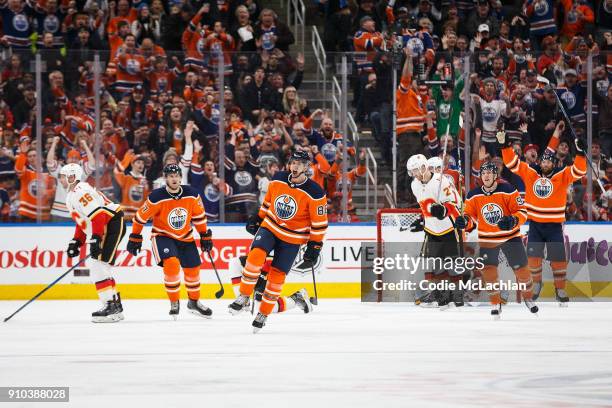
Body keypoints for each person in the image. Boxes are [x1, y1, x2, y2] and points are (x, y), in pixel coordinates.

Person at [228, 151, 327, 333]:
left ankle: (263, 314)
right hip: (270, 227)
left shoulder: (315, 192)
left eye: (300, 163)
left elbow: (319, 224)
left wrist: (315, 246)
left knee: (277, 277)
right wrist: (258, 218)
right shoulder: (279, 178)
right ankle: (243, 296)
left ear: (307, 167)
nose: (295, 166)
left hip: (293, 238)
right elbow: (268, 202)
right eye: (293, 162)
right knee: (255, 255)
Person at [500, 122, 587, 305]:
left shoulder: (562, 175)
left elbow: (579, 170)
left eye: (548, 161)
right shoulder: (531, 172)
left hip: (554, 225)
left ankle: (560, 288)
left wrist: (580, 154)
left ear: (554, 162)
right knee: (533, 257)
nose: (545, 163)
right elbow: (512, 163)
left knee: (558, 258)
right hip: (536, 225)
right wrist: (505, 146)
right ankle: (537, 284)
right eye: (543, 160)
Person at [126, 164, 214, 320]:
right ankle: (174, 302)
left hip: (186, 236)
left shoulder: (192, 194)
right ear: (165, 178)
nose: (174, 178)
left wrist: (204, 235)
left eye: (176, 175)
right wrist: (135, 236)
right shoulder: (156, 197)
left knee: (193, 269)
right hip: (162, 236)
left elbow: (199, 217)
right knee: (172, 263)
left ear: (181, 177)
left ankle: (194, 302)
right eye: (171, 176)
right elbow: (140, 217)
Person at [456, 162, 538, 319]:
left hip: (510, 236)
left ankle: (528, 298)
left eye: (489, 173)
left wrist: (513, 220)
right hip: (488, 238)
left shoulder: (508, 190)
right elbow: (470, 218)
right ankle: (495, 302)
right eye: (483, 173)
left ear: (495, 176)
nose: (486, 175)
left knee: (522, 271)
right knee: (489, 271)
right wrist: (464, 222)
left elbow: (522, 211)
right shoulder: (473, 195)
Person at [61, 163, 126, 323]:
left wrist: (96, 237)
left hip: (109, 224)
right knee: (101, 265)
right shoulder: (71, 195)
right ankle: (114, 306)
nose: (61, 180)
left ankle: (110, 306)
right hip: (107, 224)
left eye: (63, 176)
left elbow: (98, 215)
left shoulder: (80, 191)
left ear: (72, 177)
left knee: (98, 266)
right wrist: (76, 241)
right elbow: (84, 221)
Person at [406, 154, 462, 308]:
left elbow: (456, 202)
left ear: (424, 167)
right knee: (436, 263)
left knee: (452, 262)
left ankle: (457, 295)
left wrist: (443, 210)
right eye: (412, 171)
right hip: (432, 229)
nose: (416, 174)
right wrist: (424, 221)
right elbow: (424, 206)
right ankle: (441, 294)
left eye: (417, 170)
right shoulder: (414, 185)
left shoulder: (441, 181)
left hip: (448, 228)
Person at [227, 255, 313, 314]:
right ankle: (243, 301)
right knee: (235, 262)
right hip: (261, 258)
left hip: (273, 265)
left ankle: (296, 298)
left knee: (262, 306)